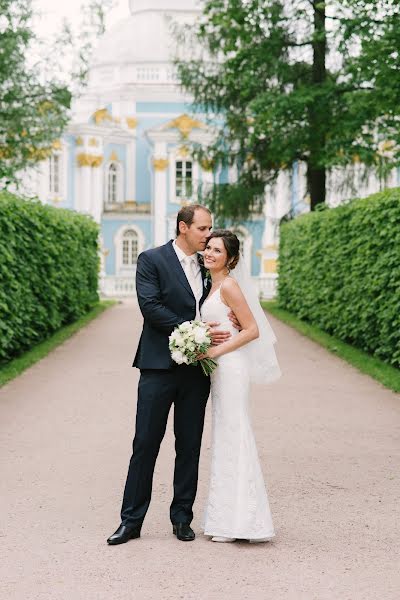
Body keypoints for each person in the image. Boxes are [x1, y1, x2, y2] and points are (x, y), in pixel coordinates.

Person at [107, 205, 236, 545]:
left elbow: (221, 303)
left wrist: (230, 323)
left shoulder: (208, 265)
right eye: (203, 228)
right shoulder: (152, 260)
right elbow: (149, 307)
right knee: (146, 443)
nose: (209, 235)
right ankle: (130, 521)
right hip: (157, 366)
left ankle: (182, 518)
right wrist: (191, 329)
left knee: (189, 445)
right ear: (183, 227)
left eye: (210, 229)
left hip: (197, 369)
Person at [200, 230, 281, 543]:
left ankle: (244, 522)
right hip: (220, 371)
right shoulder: (213, 285)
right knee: (225, 436)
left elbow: (252, 330)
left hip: (232, 369)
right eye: (208, 247)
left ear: (230, 259)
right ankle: (226, 519)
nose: (209, 253)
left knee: (235, 434)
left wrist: (214, 351)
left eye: (217, 250)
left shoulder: (230, 286)